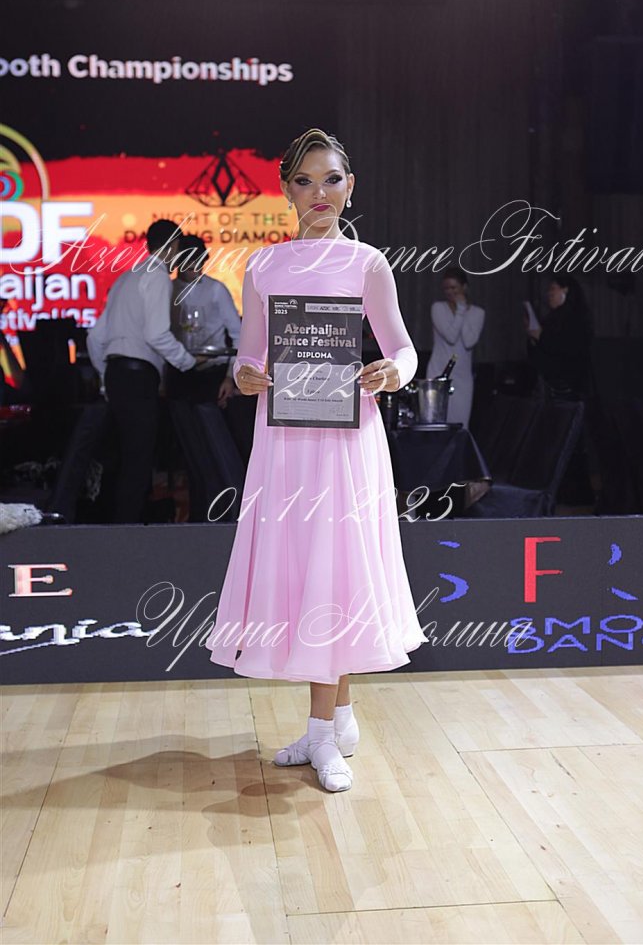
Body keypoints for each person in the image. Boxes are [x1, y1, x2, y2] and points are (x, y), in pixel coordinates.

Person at [204, 128, 429, 793]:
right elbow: (249, 354)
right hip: (285, 444)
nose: (319, 193)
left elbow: (404, 348)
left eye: (331, 179)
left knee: (338, 572)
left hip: (347, 440)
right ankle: (338, 721)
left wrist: (394, 372)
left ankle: (324, 733)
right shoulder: (264, 267)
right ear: (286, 190)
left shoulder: (367, 263)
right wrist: (246, 374)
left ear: (349, 186)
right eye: (304, 181)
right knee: (314, 573)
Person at [87, 219, 209, 523]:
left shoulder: (125, 278)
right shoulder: (158, 277)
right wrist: (188, 362)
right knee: (139, 459)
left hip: (117, 375)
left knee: (125, 456)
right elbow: (156, 335)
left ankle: (117, 527)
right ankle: (130, 532)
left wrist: (105, 378)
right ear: (173, 246)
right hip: (138, 377)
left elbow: (95, 337)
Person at [166, 234, 241, 406]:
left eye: (199, 264)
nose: (196, 270)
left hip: (213, 370)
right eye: (190, 265)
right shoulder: (168, 288)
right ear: (178, 263)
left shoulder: (216, 289)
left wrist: (230, 377)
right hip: (178, 370)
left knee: (209, 419)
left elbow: (238, 334)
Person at [425, 266, 485, 427]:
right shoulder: (438, 308)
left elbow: (469, 341)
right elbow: (451, 337)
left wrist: (462, 310)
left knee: (461, 424)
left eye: (454, 287)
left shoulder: (478, 313)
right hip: (438, 371)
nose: (450, 292)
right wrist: (460, 311)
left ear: (464, 287)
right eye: (446, 288)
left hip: (462, 377)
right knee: (436, 423)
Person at [526, 276, 594, 400]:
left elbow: (566, 348)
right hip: (548, 385)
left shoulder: (577, 320)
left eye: (553, 288)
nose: (549, 293)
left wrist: (541, 336)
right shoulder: (551, 319)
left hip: (567, 387)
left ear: (565, 290)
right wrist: (533, 338)